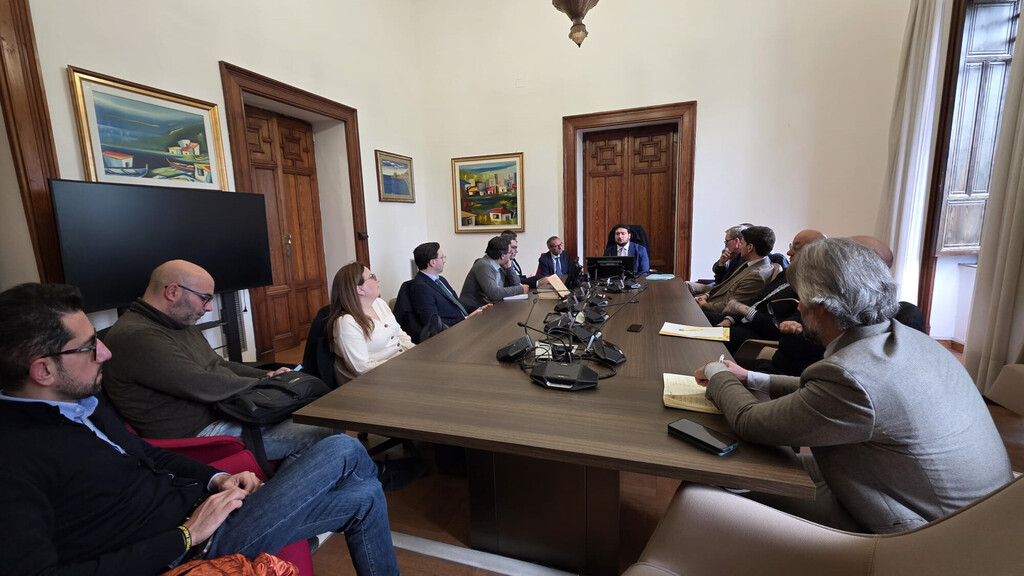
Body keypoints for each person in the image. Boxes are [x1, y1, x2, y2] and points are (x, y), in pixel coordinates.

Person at [0, 283, 399, 576]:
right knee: (342, 448)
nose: (104, 352)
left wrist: (217, 479)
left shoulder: (83, 403)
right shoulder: (15, 458)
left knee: (364, 495)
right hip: (190, 548)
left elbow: (149, 454)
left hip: (207, 511)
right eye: (89, 347)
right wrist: (187, 535)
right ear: (43, 370)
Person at [694, 238, 1013, 534]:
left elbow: (749, 421)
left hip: (924, 530)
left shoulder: (851, 374)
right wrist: (750, 377)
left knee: (712, 482)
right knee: (739, 463)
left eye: (801, 299)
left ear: (821, 305)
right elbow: (824, 393)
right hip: (946, 499)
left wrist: (716, 371)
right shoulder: (904, 337)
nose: (799, 308)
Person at [103, 260, 333, 465]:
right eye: (204, 298)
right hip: (199, 435)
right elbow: (200, 383)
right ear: (172, 291)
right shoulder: (135, 336)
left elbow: (218, 364)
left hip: (225, 413)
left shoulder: (177, 322)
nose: (209, 307)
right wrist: (266, 382)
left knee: (317, 413)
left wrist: (268, 377)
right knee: (321, 429)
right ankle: (280, 492)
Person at [714, 229, 826, 354]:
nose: (789, 252)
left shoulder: (814, 288)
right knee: (704, 322)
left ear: (815, 253)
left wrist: (744, 310)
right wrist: (730, 319)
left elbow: (779, 326)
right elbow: (758, 298)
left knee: (708, 335)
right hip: (740, 321)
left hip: (757, 334)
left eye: (796, 248)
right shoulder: (788, 272)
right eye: (791, 246)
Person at [327, 262, 414, 383]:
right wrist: (402, 364)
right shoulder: (347, 323)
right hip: (378, 379)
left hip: (404, 366)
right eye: (372, 277)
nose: (377, 279)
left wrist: (414, 352)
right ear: (360, 289)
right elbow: (363, 368)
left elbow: (399, 333)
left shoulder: (379, 303)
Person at [688, 225, 776, 315]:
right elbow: (725, 285)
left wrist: (704, 305)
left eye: (742, 244)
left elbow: (731, 305)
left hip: (719, 312)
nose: (740, 247)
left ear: (750, 247)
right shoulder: (750, 263)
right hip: (715, 298)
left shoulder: (757, 275)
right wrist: (706, 295)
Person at [409, 242, 489, 330]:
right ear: (433, 262)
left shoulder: (441, 279)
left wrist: (479, 309)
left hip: (463, 325)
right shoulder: (421, 287)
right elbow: (433, 322)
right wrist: (465, 319)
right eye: (442, 257)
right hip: (451, 332)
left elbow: (457, 304)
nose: (444, 261)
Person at [460, 235, 530, 309]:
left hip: (489, 306)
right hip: (474, 309)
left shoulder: (501, 264)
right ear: (503, 256)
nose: (510, 256)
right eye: (510, 253)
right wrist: (521, 289)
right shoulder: (484, 265)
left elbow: (516, 283)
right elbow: (494, 293)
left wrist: (509, 268)